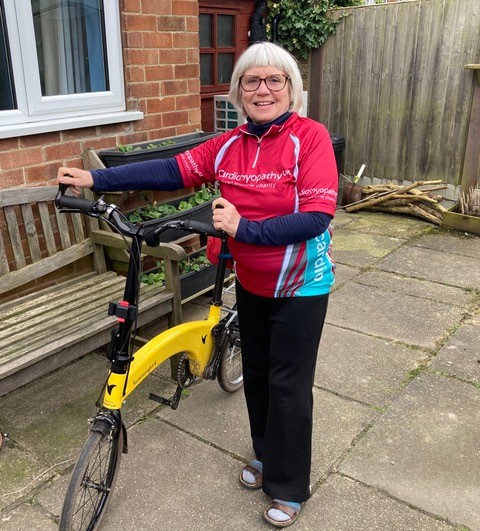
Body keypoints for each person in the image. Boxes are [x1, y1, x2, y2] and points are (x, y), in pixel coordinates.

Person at [57, 41, 338, 528]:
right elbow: (172, 169)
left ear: (291, 90)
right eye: (251, 81)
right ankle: (267, 457)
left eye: (274, 80)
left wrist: (243, 229)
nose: (263, 89)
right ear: (238, 93)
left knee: (288, 385)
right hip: (250, 279)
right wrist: (95, 179)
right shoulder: (228, 144)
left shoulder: (308, 139)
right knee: (257, 375)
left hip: (301, 286)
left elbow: (316, 216)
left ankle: (290, 486)